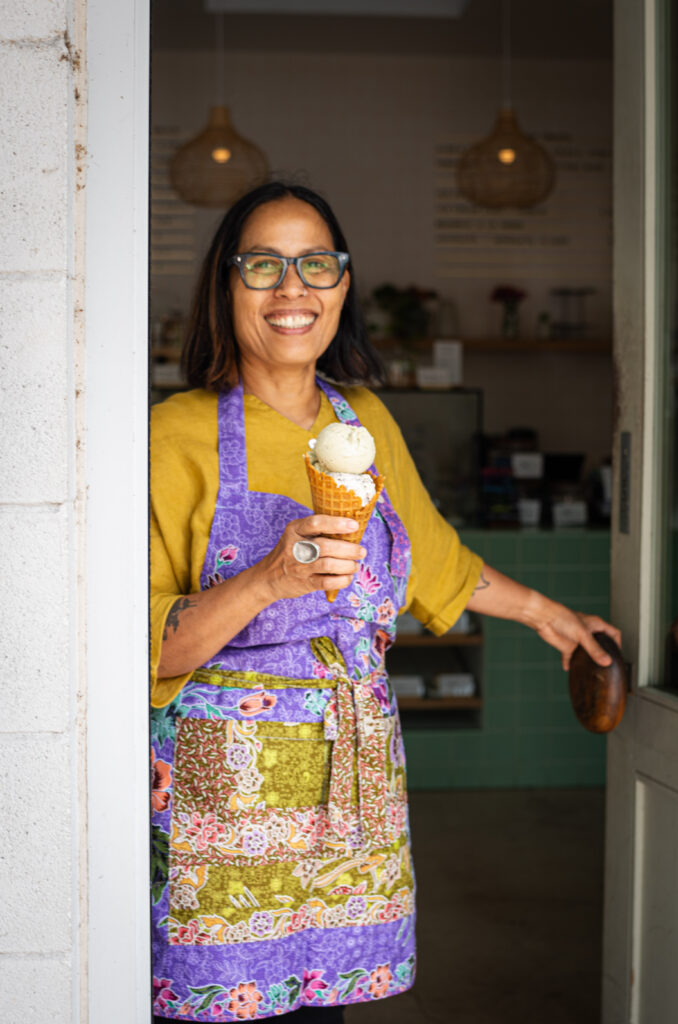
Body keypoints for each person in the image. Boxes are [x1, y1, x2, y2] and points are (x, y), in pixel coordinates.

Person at [150, 181, 620, 1023]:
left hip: (351, 795)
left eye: (316, 264)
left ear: (342, 285)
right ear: (225, 288)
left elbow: (437, 562)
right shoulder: (171, 435)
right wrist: (269, 577)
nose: (292, 287)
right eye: (262, 265)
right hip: (223, 810)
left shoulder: (362, 419)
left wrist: (552, 617)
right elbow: (148, 649)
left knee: (321, 1014)